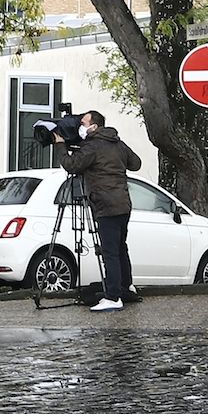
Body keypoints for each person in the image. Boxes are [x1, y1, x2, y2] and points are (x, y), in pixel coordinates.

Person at [54, 110, 144, 312]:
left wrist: (60, 145)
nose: (80, 127)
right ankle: (126, 288)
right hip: (122, 203)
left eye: (83, 123)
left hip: (106, 204)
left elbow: (71, 165)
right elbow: (136, 163)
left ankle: (113, 297)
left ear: (94, 126)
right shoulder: (116, 142)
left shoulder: (93, 146)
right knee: (120, 247)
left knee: (110, 252)